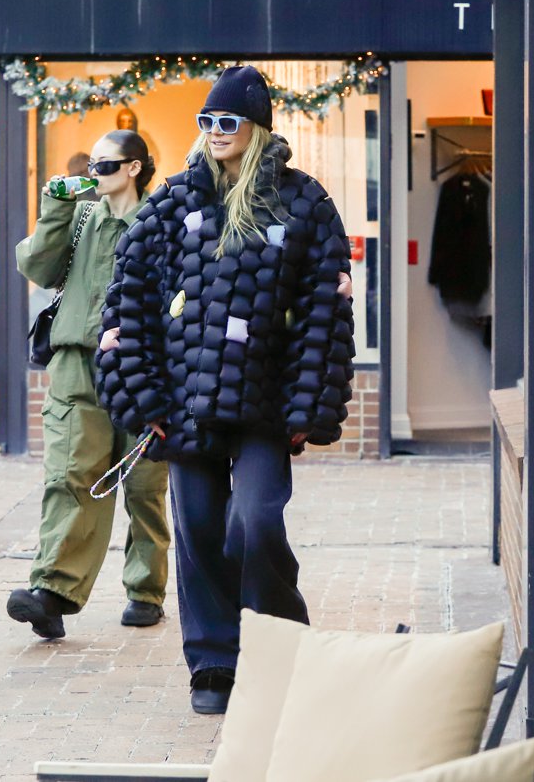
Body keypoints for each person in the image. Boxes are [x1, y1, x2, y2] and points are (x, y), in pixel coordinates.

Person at [96, 66, 356, 714]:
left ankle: (282, 643)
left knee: (256, 522)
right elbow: (131, 298)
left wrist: (308, 405)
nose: (214, 133)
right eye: (205, 122)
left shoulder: (303, 203)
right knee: (201, 530)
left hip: (265, 406)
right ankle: (213, 662)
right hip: (186, 403)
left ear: (257, 127)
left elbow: (324, 312)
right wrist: (143, 394)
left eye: (227, 122)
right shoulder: (173, 203)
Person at [8, 129, 171, 640]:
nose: (92, 175)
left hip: (146, 367)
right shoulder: (78, 218)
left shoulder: (161, 221)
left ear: (134, 168)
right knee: (71, 475)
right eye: (89, 166)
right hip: (77, 363)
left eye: (104, 166)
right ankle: (52, 592)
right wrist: (54, 210)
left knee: (144, 484)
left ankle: (145, 590)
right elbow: (35, 265)